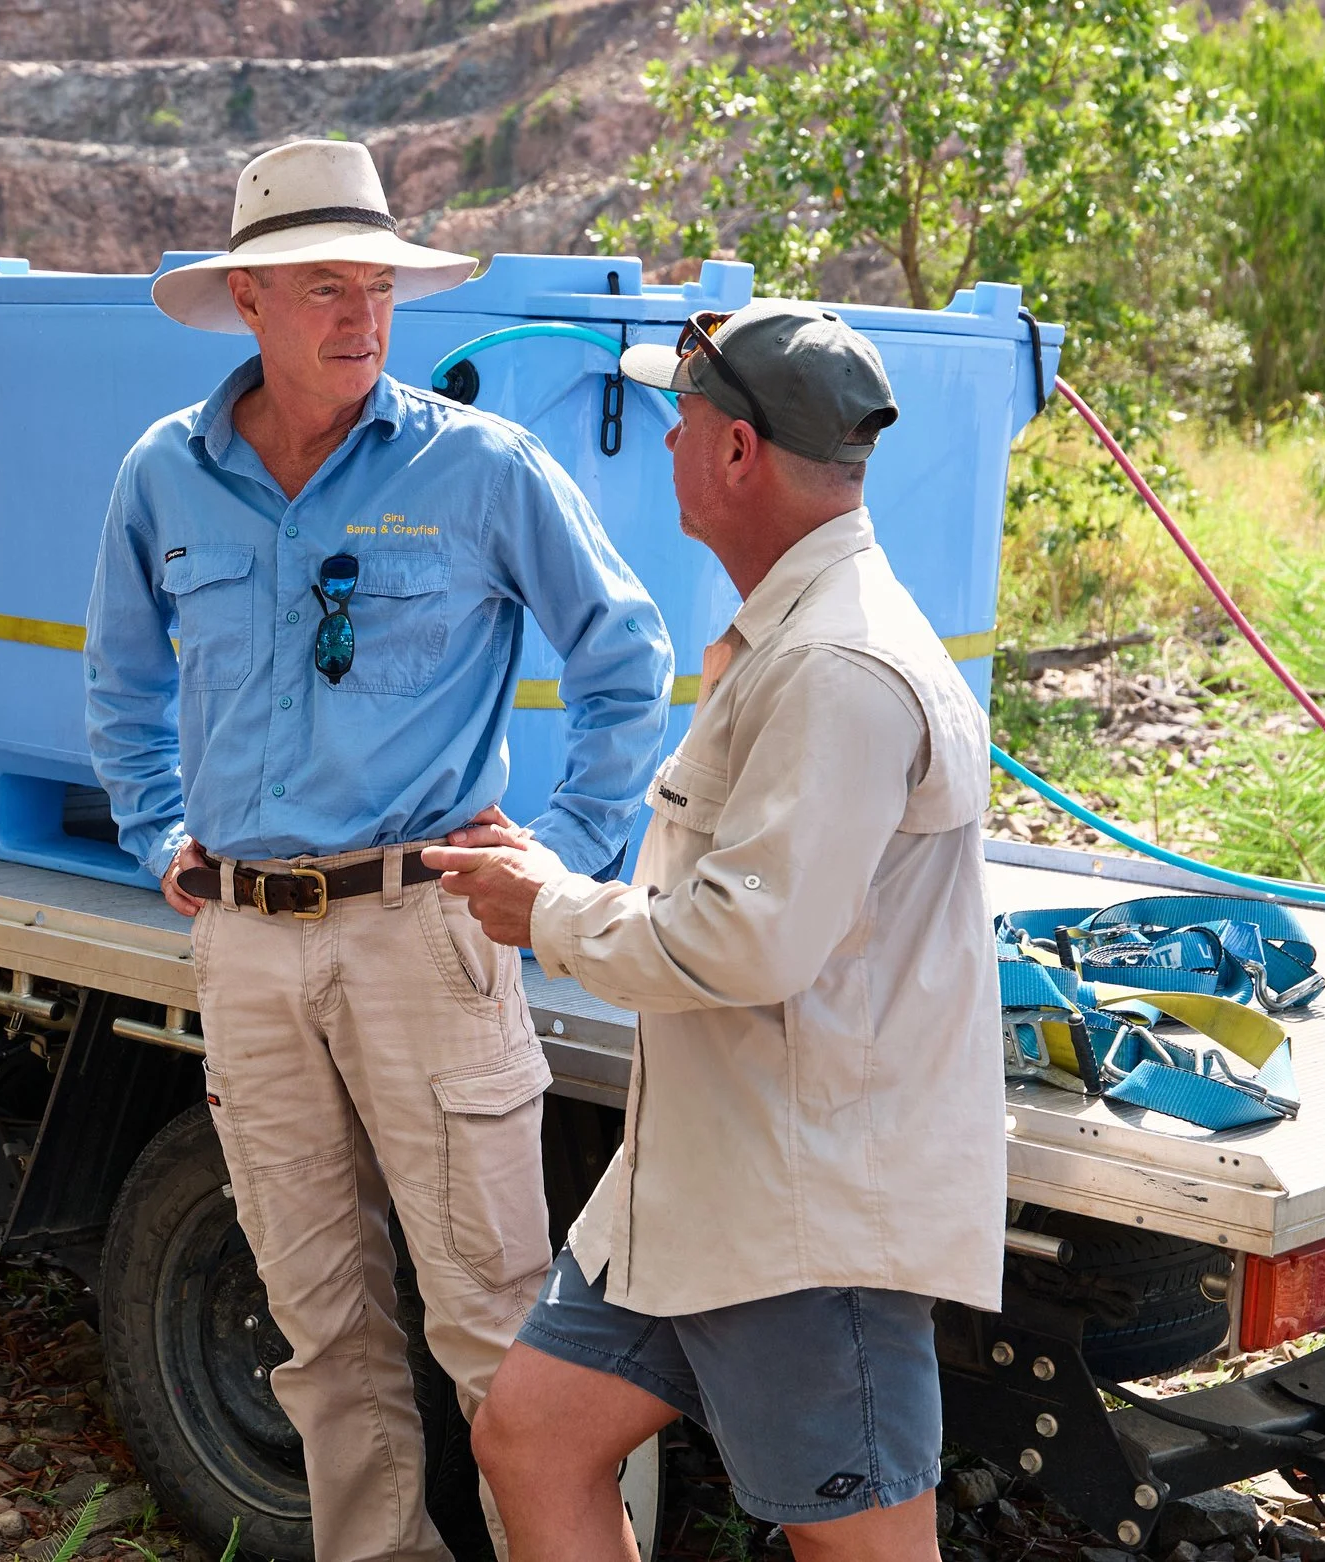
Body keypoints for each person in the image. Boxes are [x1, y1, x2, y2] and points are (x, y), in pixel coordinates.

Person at [84, 138, 675, 1560]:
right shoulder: (167, 475)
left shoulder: (479, 467)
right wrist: (159, 831)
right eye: (327, 286)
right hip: (244, 941)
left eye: (379, 286)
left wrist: (560, 858)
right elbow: (120, 685)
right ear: (248, 300)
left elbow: (627, 657)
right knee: (318, 1321)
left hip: (429, 929)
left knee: (501, 1320)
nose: (363, 313)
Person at [427, 303, 1002, 1562]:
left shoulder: (836, 666)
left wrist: (548, 909)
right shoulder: (791, 637)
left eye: (681, 418)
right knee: (529, 1436)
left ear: (737, 451)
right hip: (697, 1190)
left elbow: (748, 941)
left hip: (801, 1218)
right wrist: (548, 875)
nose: (669, 442)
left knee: (861, 1549)